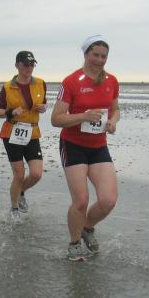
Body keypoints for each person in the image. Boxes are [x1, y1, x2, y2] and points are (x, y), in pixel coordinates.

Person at [51, 35, 120, 261]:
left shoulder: (111, 81)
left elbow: (116, 110)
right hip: (73, 145)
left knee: (108, 200)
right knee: (81, 201)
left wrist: (113, 122)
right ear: (86, 54)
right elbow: (56, 119)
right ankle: (74, 244)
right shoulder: (71, 82)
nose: (99, 60)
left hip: (98, 146)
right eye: (95, 55)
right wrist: (84, 116)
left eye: (103, 56)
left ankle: (87, 228)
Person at [0, 51, 47, 220]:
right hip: (12, 133)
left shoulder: (41, 83)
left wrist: (43, 107)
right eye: (26, 64)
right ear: (17, 65)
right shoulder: (8, 86)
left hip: (32, 133)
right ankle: (14, 207)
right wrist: (10, 112)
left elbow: (43, 103)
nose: (29, 67)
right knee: (19, 174)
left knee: (36, 174)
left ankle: (21, 191)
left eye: (32, 64)